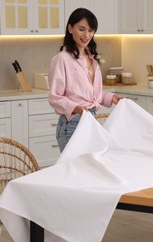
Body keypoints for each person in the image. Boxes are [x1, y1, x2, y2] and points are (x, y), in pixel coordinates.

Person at [48, 8, 123, 155]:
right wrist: (76, 108)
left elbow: (89, 94)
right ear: (70, 28)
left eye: (91, 30)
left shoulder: (92, 59)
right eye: (81, 29)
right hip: (72, 124)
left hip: (90, 121)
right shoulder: (61, 59)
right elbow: (54, 97)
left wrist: (110, 97)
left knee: (90, 173)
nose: (86, 35)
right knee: (76, 173)